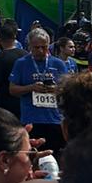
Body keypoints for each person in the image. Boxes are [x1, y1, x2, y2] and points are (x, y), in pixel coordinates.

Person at [9, 26, 69, 158]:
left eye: (44, 47)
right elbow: (12, 89)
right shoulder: (21, 63)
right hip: (32, 118)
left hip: (55, 120)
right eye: (37, 47)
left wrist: (56, 89)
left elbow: (67, 90)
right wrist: (30, 88)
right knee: (33, 158)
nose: (41, 51)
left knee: (55, 158)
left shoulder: (58, 64)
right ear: (29, 46)